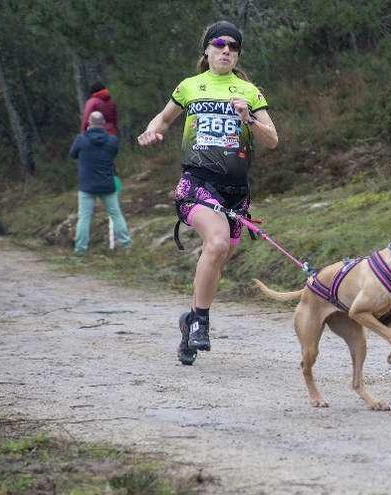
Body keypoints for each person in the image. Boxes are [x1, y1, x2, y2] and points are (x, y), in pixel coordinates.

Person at [138, 20, 278, 366]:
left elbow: (272, 140)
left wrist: (249, 119)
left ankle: (190, 320)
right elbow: (164, 118)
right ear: (207, 50)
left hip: (236, 192)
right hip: (197, 184)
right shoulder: (190, 87)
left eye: (233, 46)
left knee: (217, 260)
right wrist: (151, 131)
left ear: (238, 53)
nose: (226, 50)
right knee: (214, 243)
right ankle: (202, 322)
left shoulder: (249, 92)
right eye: (219, 44)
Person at [70, 111, 132, 255]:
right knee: (116, 214)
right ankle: (126, 245)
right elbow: (113, 153)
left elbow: (72, 154)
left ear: (89, 123)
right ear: (103, 124)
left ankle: (80, 250)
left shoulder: (81, 139)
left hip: (87, 186)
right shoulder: (112, 140)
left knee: (84, 218)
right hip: (107, 184)